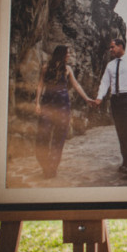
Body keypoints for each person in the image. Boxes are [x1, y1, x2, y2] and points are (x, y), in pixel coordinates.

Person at [35, 45, 93, 178]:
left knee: (58, 138)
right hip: (47, 105)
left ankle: (52, 168)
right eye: (67, 53)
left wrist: (87, 98)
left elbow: (76, 85)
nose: (69, 55)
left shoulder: (67, 69)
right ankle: (45, 165)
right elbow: (40, 85)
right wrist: (37, 103)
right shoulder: (45, 68)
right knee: (42, 137)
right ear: (61, 54)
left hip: (63, 106)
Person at [94, 38, 127, 179]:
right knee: (121, 132)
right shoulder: (110, 65)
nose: (110, 50)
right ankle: (125, 162)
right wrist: (100, 97)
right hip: (116, 100)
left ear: (120, 46)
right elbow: (105, 82)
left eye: (112, 47)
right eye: (110, 48)